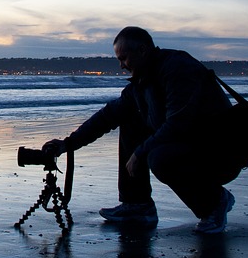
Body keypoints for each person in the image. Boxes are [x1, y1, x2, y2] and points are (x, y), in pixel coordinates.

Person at [42, 26, 236, 233]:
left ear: (142, 50)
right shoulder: (143, 82)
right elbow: (108, 116)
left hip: (219, 150)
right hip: (190, 143)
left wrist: (140, 152)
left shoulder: (178, 69)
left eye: (124, 58)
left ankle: (214, 203)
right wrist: (67, 144)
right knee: (130, 121)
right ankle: (137, 204)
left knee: (159, 158)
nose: (121, 66)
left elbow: (179, 124)